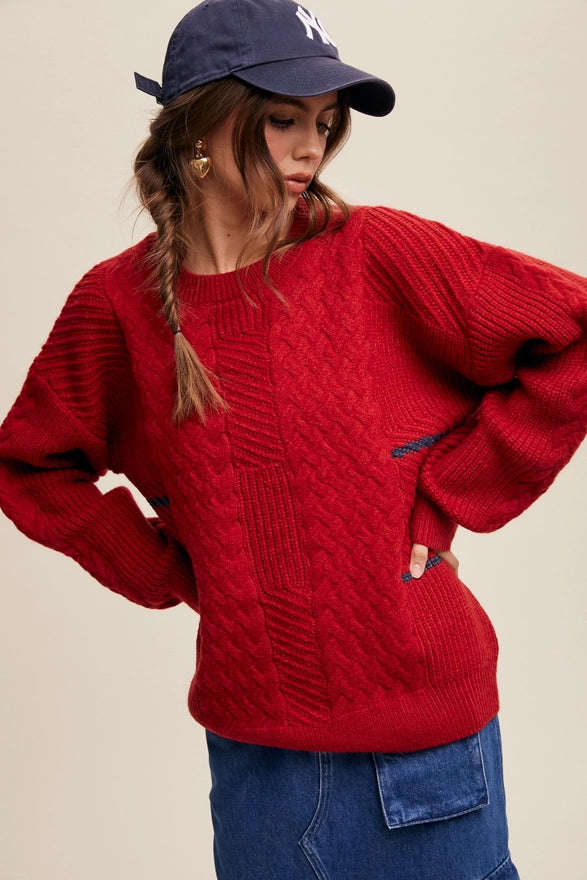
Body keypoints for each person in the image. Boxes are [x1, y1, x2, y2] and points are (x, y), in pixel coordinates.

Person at [0, 0, 585, 877]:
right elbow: (30, 464)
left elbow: (570, 331)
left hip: (420, 752)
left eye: (323, 123)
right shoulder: (117, 307)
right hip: (253, 761)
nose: (312, 146)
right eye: (282, 121)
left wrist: (447, 498)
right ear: (198, 130)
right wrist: (176, 571)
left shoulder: (375, 253)